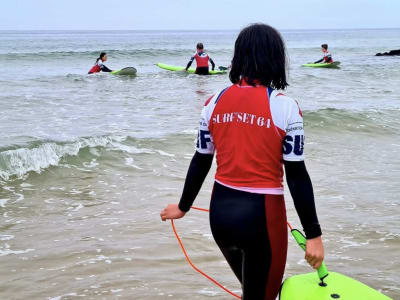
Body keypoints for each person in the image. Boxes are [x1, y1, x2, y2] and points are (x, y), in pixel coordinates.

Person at [160, 23, 325, 300]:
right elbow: (296, 175)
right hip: (262, 218)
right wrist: (314, 235)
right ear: (275, 58)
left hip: (221, 217)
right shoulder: (284, 106)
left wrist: (183, 206)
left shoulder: (214, 101)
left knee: (253, 292)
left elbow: (201, 160)